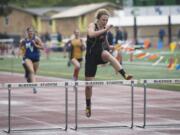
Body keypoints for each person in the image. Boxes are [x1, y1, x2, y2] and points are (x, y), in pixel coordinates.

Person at [85, 9, 133, 117]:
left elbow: (106, 44)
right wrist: (105, 30)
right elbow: (91, 34)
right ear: (98, 19)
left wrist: (111, 46)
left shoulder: (105, 29)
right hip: (90, 57)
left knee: (106, 53)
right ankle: (88, 106)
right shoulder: (92, 25)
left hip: (100, 54)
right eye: (103, 20)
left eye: (107, 20)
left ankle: (124, 74)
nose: (105, 22)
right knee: (89, 86)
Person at [19, 26, 44, 93]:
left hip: (36, 58)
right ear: (27, 32)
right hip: (27, 58)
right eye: (29, 31)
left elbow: (42, 47)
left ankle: (28, 76)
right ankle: (34, 87)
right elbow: (21, 47)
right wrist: (22, 53)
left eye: (32, 31)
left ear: (33, 32)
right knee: (31, 71)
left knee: (33, 74)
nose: (31, 32)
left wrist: (36, 45)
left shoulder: (36, 39)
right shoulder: (24, 40)